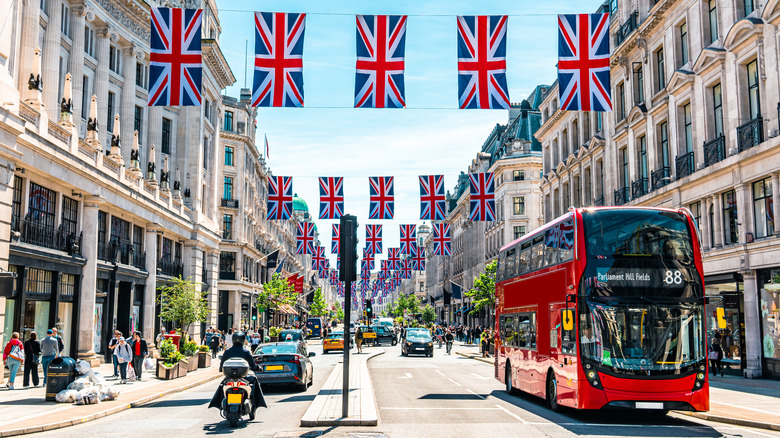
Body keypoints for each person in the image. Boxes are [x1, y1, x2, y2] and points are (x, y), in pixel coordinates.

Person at [208, 331, 267, 420]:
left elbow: (221, 366)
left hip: (230, 377)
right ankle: (254, 406)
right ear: (243, 340)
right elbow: (253, 366)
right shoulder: (246, 352)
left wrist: (221, 369)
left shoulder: (227, 351)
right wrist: (257, 368)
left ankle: (218, 403)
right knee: (254, 380)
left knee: (222, 385)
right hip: (243, 378)